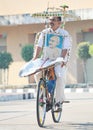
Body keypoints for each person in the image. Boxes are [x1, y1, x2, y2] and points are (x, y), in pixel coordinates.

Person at [32, 16, 72, 110]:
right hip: (46, 59)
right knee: (37, 74)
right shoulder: (44, 32)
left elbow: (65, 48)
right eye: (50, 20)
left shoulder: (64, 34)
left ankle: (58, 102)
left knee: (59, 77)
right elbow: (39, 46)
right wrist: (35, 58)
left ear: (59, 23)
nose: (51, 22)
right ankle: (43, 96)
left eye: (53, 20)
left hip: (58, 60)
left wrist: (61, 59)